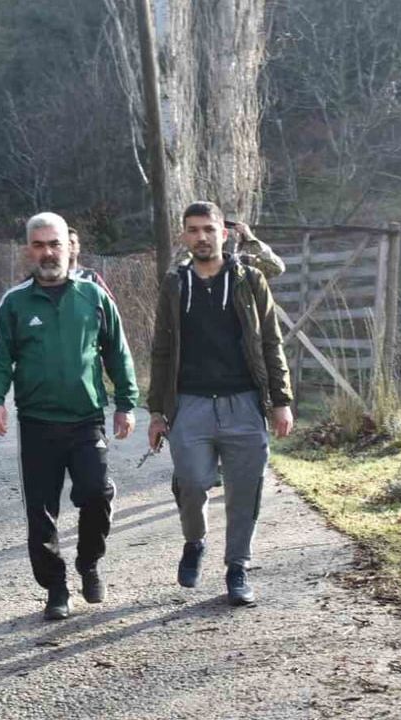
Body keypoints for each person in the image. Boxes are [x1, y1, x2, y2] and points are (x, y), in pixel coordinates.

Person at [0, 212, 138, 621]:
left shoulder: (94, 296)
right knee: (41, 511)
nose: (48, 252)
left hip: (86, 418)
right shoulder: (14, 302)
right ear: (28, 250)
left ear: (70, 246)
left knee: (96, 492)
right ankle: (55, 587)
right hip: (37, 421)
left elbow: (117, 352)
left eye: (55, 244)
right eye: (39, 245)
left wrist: (126, 402)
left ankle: (89, 562)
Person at [146, 201, 295, 607]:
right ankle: (195, 541)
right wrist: (157, 412)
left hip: (243, 402)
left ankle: (237, 568)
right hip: (190, 404)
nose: (202, 237)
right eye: (193, 230)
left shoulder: (249, 280)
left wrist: (280, 401)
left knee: (245, 490)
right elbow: (161, 349)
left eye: (209, 229)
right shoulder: (175, 284)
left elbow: (270, 342)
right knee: (192, 482)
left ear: (223, 234)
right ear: (184, 236)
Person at [67, 228, 114, 299]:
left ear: (78, 247)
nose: (69, 247)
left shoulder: (91, 277)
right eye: (67, 244)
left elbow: (109, 302)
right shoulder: (51, 278)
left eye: (72, 243)